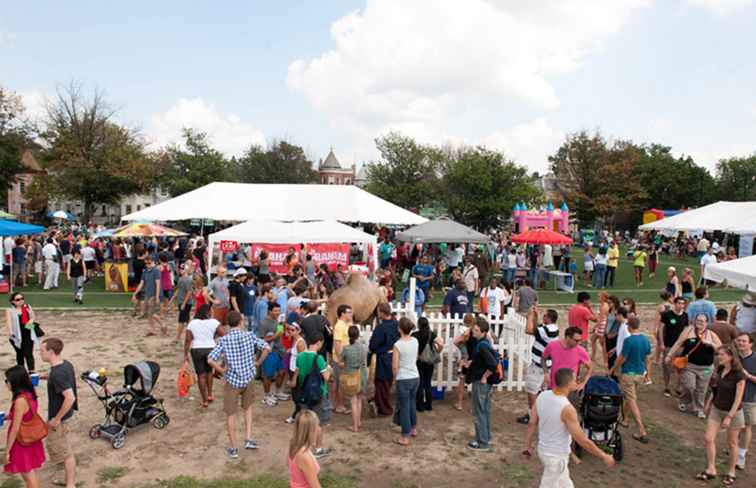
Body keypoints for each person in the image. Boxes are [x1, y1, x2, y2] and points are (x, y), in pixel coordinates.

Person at [524, 368, 615, 487]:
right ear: (568, 384)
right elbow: (582, 440)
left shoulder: (542, 396)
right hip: (556, 457)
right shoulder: (567, 408)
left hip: (545, 450)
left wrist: (527, 446)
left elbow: (532, 423)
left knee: (566, 484)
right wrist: (603, 455)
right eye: (575, 379)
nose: (577, 381)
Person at [207, 311, 270, 459]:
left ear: (228, 324)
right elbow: (266, 347)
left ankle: (233, 447)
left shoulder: (224, 340)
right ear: (241, 322)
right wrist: (258, 363)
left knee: (231, 414)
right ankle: (248, 439)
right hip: (248, 379)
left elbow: (210, 359)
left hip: (232, 381)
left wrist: (222, 370)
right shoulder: (249, 335)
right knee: (248, 409)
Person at [697, 346, 746, 485]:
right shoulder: (720, 369)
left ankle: (731, 472)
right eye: (718, 354)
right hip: (717, 409)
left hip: (734, 413)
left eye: (722, 355)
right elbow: (715, 389)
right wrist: (708, 403)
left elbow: (738, 398)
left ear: (731, 356)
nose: (719, 357)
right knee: (708, 438)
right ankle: (711, 468)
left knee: (732, 443)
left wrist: (729, 417)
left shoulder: (739, 374)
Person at [38, 338, 77, 488]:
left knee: (65, 453)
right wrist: (45, 377)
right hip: (65, 416)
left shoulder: (57, 374)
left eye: (42, 351)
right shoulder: (65, 364)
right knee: (62, 449)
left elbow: (70, 397)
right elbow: (62, 378)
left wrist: (56, 419)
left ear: (51, 352)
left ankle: (70, 484)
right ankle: (67, 480)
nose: (39, 353)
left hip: (60, 419)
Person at [666, 314, 722, 418]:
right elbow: (678, 343)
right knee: (689, 386)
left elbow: (720, 348)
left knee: (701, 389)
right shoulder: (688, 331)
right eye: (698, 320)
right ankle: (684, 401)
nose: (699, 323)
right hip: (689, 366)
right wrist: (669, 355)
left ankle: (699, 409)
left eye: (702, 321)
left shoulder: (711, 334)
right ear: (694, 321)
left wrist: (710, 343)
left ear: (707, 322)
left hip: (706, 368)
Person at [609, 317, 651, 443]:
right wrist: (648, 373)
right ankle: (625, 419)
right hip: (640, 373)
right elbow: (648, 358)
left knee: (632, 400)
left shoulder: (628, 340)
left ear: (629, 327)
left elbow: (622, 358)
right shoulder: (645, 339)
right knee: (629, 396)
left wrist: (612, 369)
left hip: (628, 374)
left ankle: (641, 430)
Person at [3, 366, 44, 488]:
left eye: (7, 381)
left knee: (28, 476)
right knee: (31, 473)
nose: (6, 383)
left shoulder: (20, 400)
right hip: (31, 437)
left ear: (15, 382)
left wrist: (7, 451)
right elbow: (27, 413)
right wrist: (8, 416)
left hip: (22, 442)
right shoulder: (30, 392)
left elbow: (15, 429)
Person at [292, 332, 332, 458]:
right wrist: (329, 369)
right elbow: (326, 377)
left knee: (306, 422)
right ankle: (318, 449)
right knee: (318, 423)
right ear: (319, 343)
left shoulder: (300, 357)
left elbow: (297, 374)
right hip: (318, 393)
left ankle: (305, 446)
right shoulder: (319, 358)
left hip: (304, 392)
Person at [517, 306, 559, 425]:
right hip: (546, 366)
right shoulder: (552, 328)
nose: (542, 317)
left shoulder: (547, 330)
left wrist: (530, 316)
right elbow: (536, 329)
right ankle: (539, 414)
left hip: (538, 366)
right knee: (542, 392)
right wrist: (534, 316)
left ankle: (532, 416)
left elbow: (529, 330)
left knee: (532, 392)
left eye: (544, 315)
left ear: (548, 318)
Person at [467, 317, 499, 451]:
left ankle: (482, 442)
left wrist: (485, 376)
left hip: (481, 383)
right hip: (483, 383)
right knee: (484, 410)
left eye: (476, 330)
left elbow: (492, 364)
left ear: (483, 332)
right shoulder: (484, 343)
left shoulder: (482, 345)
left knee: (479, 411)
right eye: (473, 329)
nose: (473, 332)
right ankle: (486, 437)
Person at [183, 304, 222, 407]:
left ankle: (204, 400)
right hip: (211, 349)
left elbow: (188, 340)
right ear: (207, 312)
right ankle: (210, 395)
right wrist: (214, 336)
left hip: (197, 350)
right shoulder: (214, 322)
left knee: (201, 375)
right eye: (211, 310)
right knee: (209, 372)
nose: (212, 312)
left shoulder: (192, 323)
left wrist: (185, 355)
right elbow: (223, 334)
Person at [542, 326, 593, 399]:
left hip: (570, 392)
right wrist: (546, 372)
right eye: (576, 340)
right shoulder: (552, 345)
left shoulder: (580, 350)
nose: (579, 343)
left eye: (580, 340)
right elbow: (543, 359)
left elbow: (590, 368)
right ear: (567, 337)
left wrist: (583, 384)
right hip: (553, 388)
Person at [392, 317, 420, 446]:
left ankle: (405, 435)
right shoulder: (415, 341)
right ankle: (413, 428)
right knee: (411, 404)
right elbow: (415, 357)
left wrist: (394, 378)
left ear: (399, 329)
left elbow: (395, 365)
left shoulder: (398, 344)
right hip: (415, 376)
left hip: (403, 378)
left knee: (404, 406)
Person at [368, 303, 399, 416]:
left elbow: (373, 345)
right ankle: (379, 404)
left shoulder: (381, 328)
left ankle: (385, 408)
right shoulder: (396, 324)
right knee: (387, 383)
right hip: (394, 356)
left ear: (381, 312)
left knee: (382, 383)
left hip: (383, 358)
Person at [258, 302, 288, 406]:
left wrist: (285, 328)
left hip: (281, 351)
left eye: (279, 311)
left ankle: (277, 392)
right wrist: (275, 336)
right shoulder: (264, 323)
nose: (278, 313)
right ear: (270, 311)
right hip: (270, 352)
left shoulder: (279, 321)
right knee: (268, 375)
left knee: (282, 371)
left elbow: (282, 334)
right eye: (275, 311)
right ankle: (266, 396)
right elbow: (261, 340)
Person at [659, 296, 689, 397]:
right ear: (675, 304)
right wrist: (662, 343)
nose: (681, 305)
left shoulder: (685, 316)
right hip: (669, 345)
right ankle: (667, 387)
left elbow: (686, 331)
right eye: (679, 303)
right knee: (667, 367)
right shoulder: (667, 315)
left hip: (681, 347)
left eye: (683, 303)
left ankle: (678, 387)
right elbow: (661, 329)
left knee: (680, 367)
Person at [412, 316, 443, 412]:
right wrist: (438, 351)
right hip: (429, 362)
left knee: (420, 383)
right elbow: (441, 344)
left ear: (419, 325)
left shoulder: (415, 335)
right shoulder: (431, 334)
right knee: (427, 383)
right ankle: (429, 405)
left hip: (419, 361)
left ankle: (420, 406)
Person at [340, 325, 367, 432]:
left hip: (352, 375)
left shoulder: (346, 349)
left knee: (353, 401)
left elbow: (340, 362)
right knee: (359, 399)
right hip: (363, 374)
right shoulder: (363, 347)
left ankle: (355, 426)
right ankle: (358, 422)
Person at [734, 332, 755, 471]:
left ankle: (741, 455)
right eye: (739, 341)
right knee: (735, 426)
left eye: (744, 341)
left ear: (750, 344)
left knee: (747, 426)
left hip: (749, 398)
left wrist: (747, 376)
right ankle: (734, 448)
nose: (741, 343)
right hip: (733, 398)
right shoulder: (734, 357)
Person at [288, 410, 322, 488]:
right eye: (317, 425)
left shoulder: (294, 443)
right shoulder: (304, 456)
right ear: (311, 430)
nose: (319, 428)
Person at [6, 293, 39, 372]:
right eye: (18, 299)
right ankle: (21, 373)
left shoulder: (27, 307)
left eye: (22, 298)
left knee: (28, 354)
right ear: (13, 301)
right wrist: (11, 332)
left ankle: (32, 372)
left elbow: (33, 318)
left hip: (28, 333)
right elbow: (9, 322)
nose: (21, 301)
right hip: (17, 335)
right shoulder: (10, 310)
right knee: (20, 354)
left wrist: (31, 319)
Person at [132, 256, 164, 336]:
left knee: (151, 313)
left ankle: (160, 326)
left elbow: (158, 284)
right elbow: (141, 283)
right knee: (148, 313)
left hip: (154, 295)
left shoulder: (156, 271)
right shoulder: (145, 271)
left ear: (153, 262)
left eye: (149, 263)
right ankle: (154, 328)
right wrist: (135, 293)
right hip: (147, 294)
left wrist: (157, 297)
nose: (147, 265)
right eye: (146, 263)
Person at [170, 263, 194, 342]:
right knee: (186, 320)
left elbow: (189, 292)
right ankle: (192, 334)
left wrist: (184, 303)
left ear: (186, 270)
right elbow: (178, 289)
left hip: (186, 303)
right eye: (180, 269)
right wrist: (173, 298)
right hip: (182, 301)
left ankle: (177, 337)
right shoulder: (181, 278)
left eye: (182, 269)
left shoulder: (188, 279)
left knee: (181, 320)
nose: (180, 270)